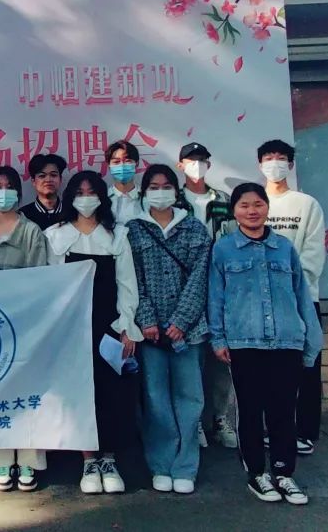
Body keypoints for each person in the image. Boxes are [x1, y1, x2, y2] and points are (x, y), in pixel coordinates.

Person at [208, 183, 322, 506]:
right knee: (250, 410)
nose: (252, 211)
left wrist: (311, 341)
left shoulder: (284, 248)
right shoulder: (224, 250)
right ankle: (257, 473)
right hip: (245, 342)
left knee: (283, 411)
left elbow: (302, 296)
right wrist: (218, 338)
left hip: (286, 341)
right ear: (234, 211)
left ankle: (284, 473)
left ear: (267, 208)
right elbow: (215, 297)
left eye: (258, 204)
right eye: (244, 205)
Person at [45, 171, 142, 495]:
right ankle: (88, 460)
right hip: (71, 328)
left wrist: (126, 328)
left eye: (92, 192)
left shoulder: (117, 235)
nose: (85, 199)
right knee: (79, 394)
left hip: (109, 327)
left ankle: (109, 459)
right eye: (79, 192)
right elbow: (51, 288)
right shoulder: (55, 236)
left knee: (112, 393)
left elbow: (127, 285)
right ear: (70, 197)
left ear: (102, 197)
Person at [127, 164, 212, 495]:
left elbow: (200, 278)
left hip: (187, 333)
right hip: (150, 335)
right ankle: (160, 465)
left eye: (166, 186)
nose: (160, 192)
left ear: (176, 192)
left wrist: (181, 321)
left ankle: (186, 466)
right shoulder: (133, 230)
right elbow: (132, 279)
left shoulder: (194, 228)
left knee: (190, 399)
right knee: (155, 399)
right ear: (144, 191)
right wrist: (147, 319)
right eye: (153, 186)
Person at [0, 166, 49, 492]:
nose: (2, 192)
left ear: (19, 194)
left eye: (9, 186)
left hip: (24, 324)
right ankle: (2, 459)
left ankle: (29, 459)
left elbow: (39, 279)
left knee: (27, 392)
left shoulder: (32, 231)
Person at [258, 140, 326, 456]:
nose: (275, 163)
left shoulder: (306, 204)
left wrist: (291, 287)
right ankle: (272, 429)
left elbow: (313, 254)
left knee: (306, 366)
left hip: (302, 299)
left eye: (281, 158)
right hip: (261, 301)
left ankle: (305, 431)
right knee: (269, 370)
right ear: (260, 165)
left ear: (291, 164)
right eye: (269, 158)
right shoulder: (253, 202)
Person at [176, 142, 238, 450]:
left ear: (209, 165)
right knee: (190, 358)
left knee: (220, 359)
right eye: (191, 160)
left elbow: (233, 240)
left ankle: (220, 418)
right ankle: (196, 422)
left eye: (202, 160)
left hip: (219, 286)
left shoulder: (223, 200)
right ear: (180, 165)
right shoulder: (172, 201)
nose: (197, 165)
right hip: (183, 288)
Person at [19, 153, 67, 230]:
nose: (48, 180)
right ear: (33, 181)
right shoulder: (23, 215)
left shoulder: (72, 212)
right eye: (42, 176)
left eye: (53, 175)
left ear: (60, 179)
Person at [106, 140, 144, 224]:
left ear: (136, 164)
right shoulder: (102, 199)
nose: (122, 165)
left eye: (127, 161)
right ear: (109, 165)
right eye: (116, 162)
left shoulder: (147, 197)